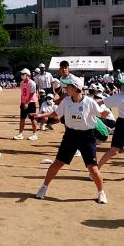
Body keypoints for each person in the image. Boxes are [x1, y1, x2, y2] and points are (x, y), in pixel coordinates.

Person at [33, 75, 110, 203]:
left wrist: (105, 113)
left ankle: (101, 192)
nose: (65, 88)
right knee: (57, 163)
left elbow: (100, 113)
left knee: (92, 168)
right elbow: (56, 113)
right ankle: (44, 187)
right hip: (70, 135)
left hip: (87, 136)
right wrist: (41, 115)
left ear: (75, 88)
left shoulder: (89, 102)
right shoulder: (66, 101)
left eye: (68, 86)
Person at [14, 68, 39, 141]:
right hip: (23, 102)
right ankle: (20, 134)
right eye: (21, 74)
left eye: (23, 74)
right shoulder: (22, 83)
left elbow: (32, 93)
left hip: (31, 103)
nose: (21, 75)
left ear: (27, 75)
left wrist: (27, 103)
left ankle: (34, 134)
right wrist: (22, 103)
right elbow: (22, 93)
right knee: (22, 119)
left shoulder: (32, 83)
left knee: (32, 119)